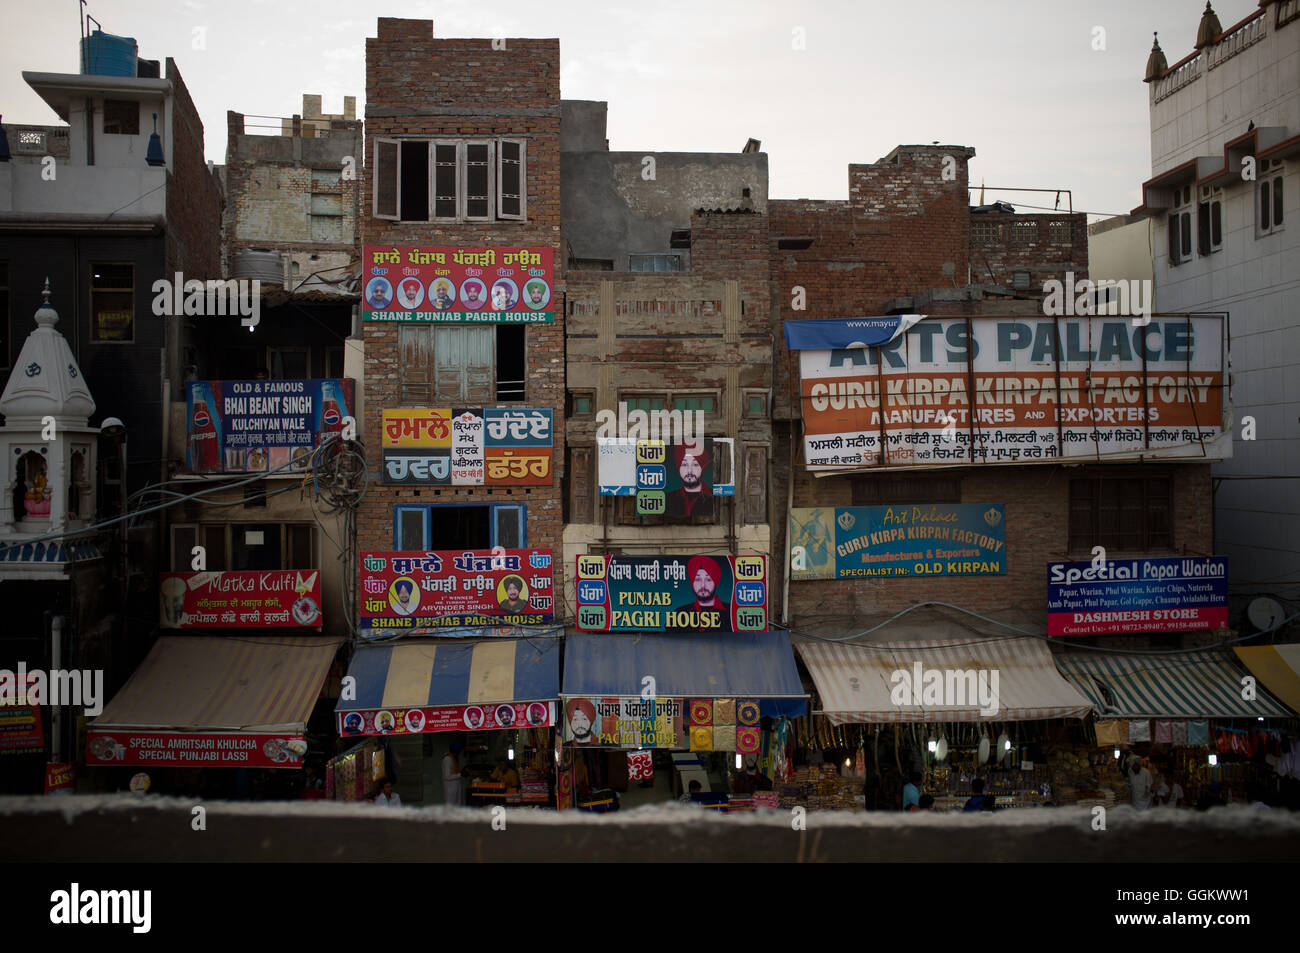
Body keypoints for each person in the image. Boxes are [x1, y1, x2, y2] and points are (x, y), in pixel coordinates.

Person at [673, 555, 730, 630]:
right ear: (692, 583)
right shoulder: (679, 613)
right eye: (697, 579)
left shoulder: (730, 612)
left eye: (708, 579)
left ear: (716, 582)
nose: (703, 585)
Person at [665, 443, 714, 519]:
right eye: (684, 465)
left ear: (702, 468)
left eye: (695, 464)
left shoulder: (714, 498)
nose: (689, 471)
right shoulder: (667, 499)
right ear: (679, 468)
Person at [443, 741, 466, 805]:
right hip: (451, 790)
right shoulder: (447, 759)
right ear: (456, 751)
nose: (459, 753)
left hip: (455, 789)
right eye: (459, 751)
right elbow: (447, 776)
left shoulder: (453, 758)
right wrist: (460, 774)